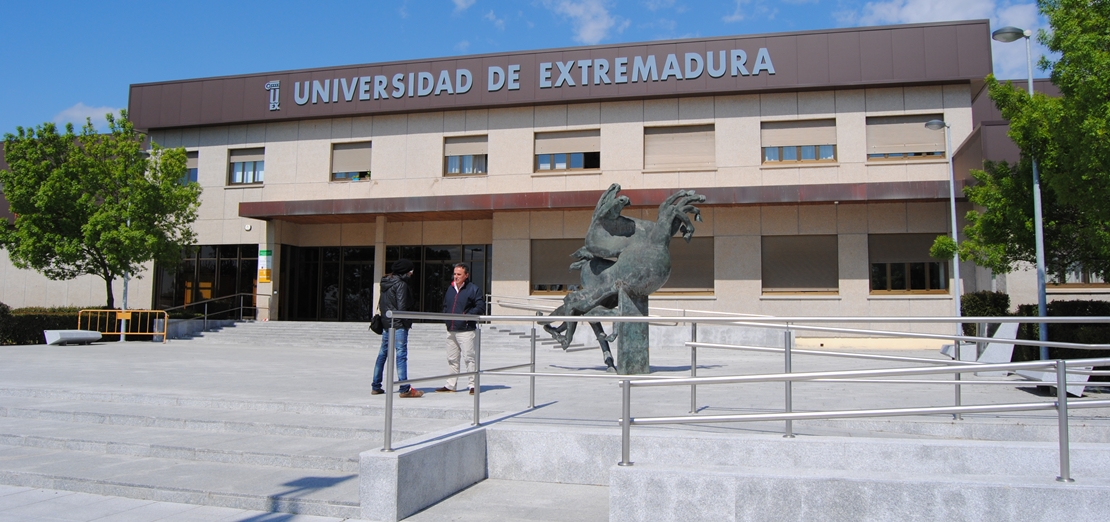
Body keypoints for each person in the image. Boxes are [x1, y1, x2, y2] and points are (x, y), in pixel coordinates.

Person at [372, 259, 423, 398]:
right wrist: (406, 323)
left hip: (386, 323)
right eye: (411, 271)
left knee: (383, 354)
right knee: (401, 355)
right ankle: (404, 388)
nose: (412, 273)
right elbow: (402, 307)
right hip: (398, 324)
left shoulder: (386, 282)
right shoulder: (401, 284)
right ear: (406, 271)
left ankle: (376, 385)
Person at [435, 263, 484, 394]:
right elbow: (446, 305)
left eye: (459, 274)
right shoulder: (450, 289)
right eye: (455, 274)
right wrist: (446, 318)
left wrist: (467, 316)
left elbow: (480, 307)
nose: (456, 277)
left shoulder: (473, 289)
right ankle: (451, 385)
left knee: (469, 358)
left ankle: (473, 385)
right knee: (452, 358)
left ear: (466, 275)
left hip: (466, 330)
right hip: (451, 329)